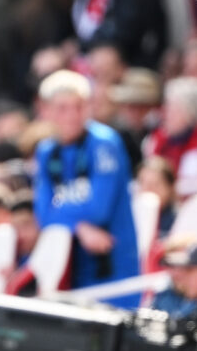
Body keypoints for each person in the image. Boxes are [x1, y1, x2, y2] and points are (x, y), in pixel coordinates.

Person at [33, 70, 139, 291]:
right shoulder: (46, 151)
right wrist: (80, 226)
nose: (72, 115)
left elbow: (98, 210)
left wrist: (64, 216)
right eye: (62, 108)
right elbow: (42, 214)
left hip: (114, 267)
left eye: (79, 106)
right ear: (45, 110)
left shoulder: (104, 143)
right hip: (73, 266)